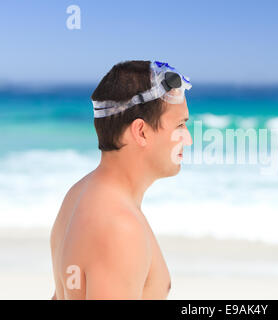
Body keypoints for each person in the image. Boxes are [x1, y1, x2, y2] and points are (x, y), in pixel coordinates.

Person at [49, 60, 192, 299]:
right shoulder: (120, 228)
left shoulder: (77, 195)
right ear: (141, 132)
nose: (187, 139)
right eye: (179, 125)